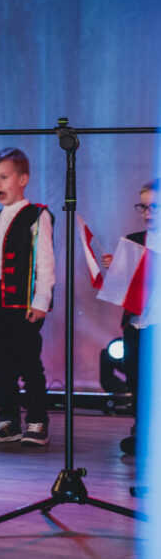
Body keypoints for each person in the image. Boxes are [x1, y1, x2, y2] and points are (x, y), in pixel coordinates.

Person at [0, 148, 55, 447]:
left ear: (23, 179)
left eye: (4, 177)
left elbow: (44, 260)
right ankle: (8, 421)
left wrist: (41, 299)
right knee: (1, 361)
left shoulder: (37, 214)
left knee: (28, 360)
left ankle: (37, 421)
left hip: (21, 301)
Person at [101, 179, 159, 454]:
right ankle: (141, 432)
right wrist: (117, 269)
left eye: (155, 207)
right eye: (143, 207)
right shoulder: (134, 241)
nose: (148, 213)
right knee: (137, 378)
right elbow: (123, 289)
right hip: (137, 323)